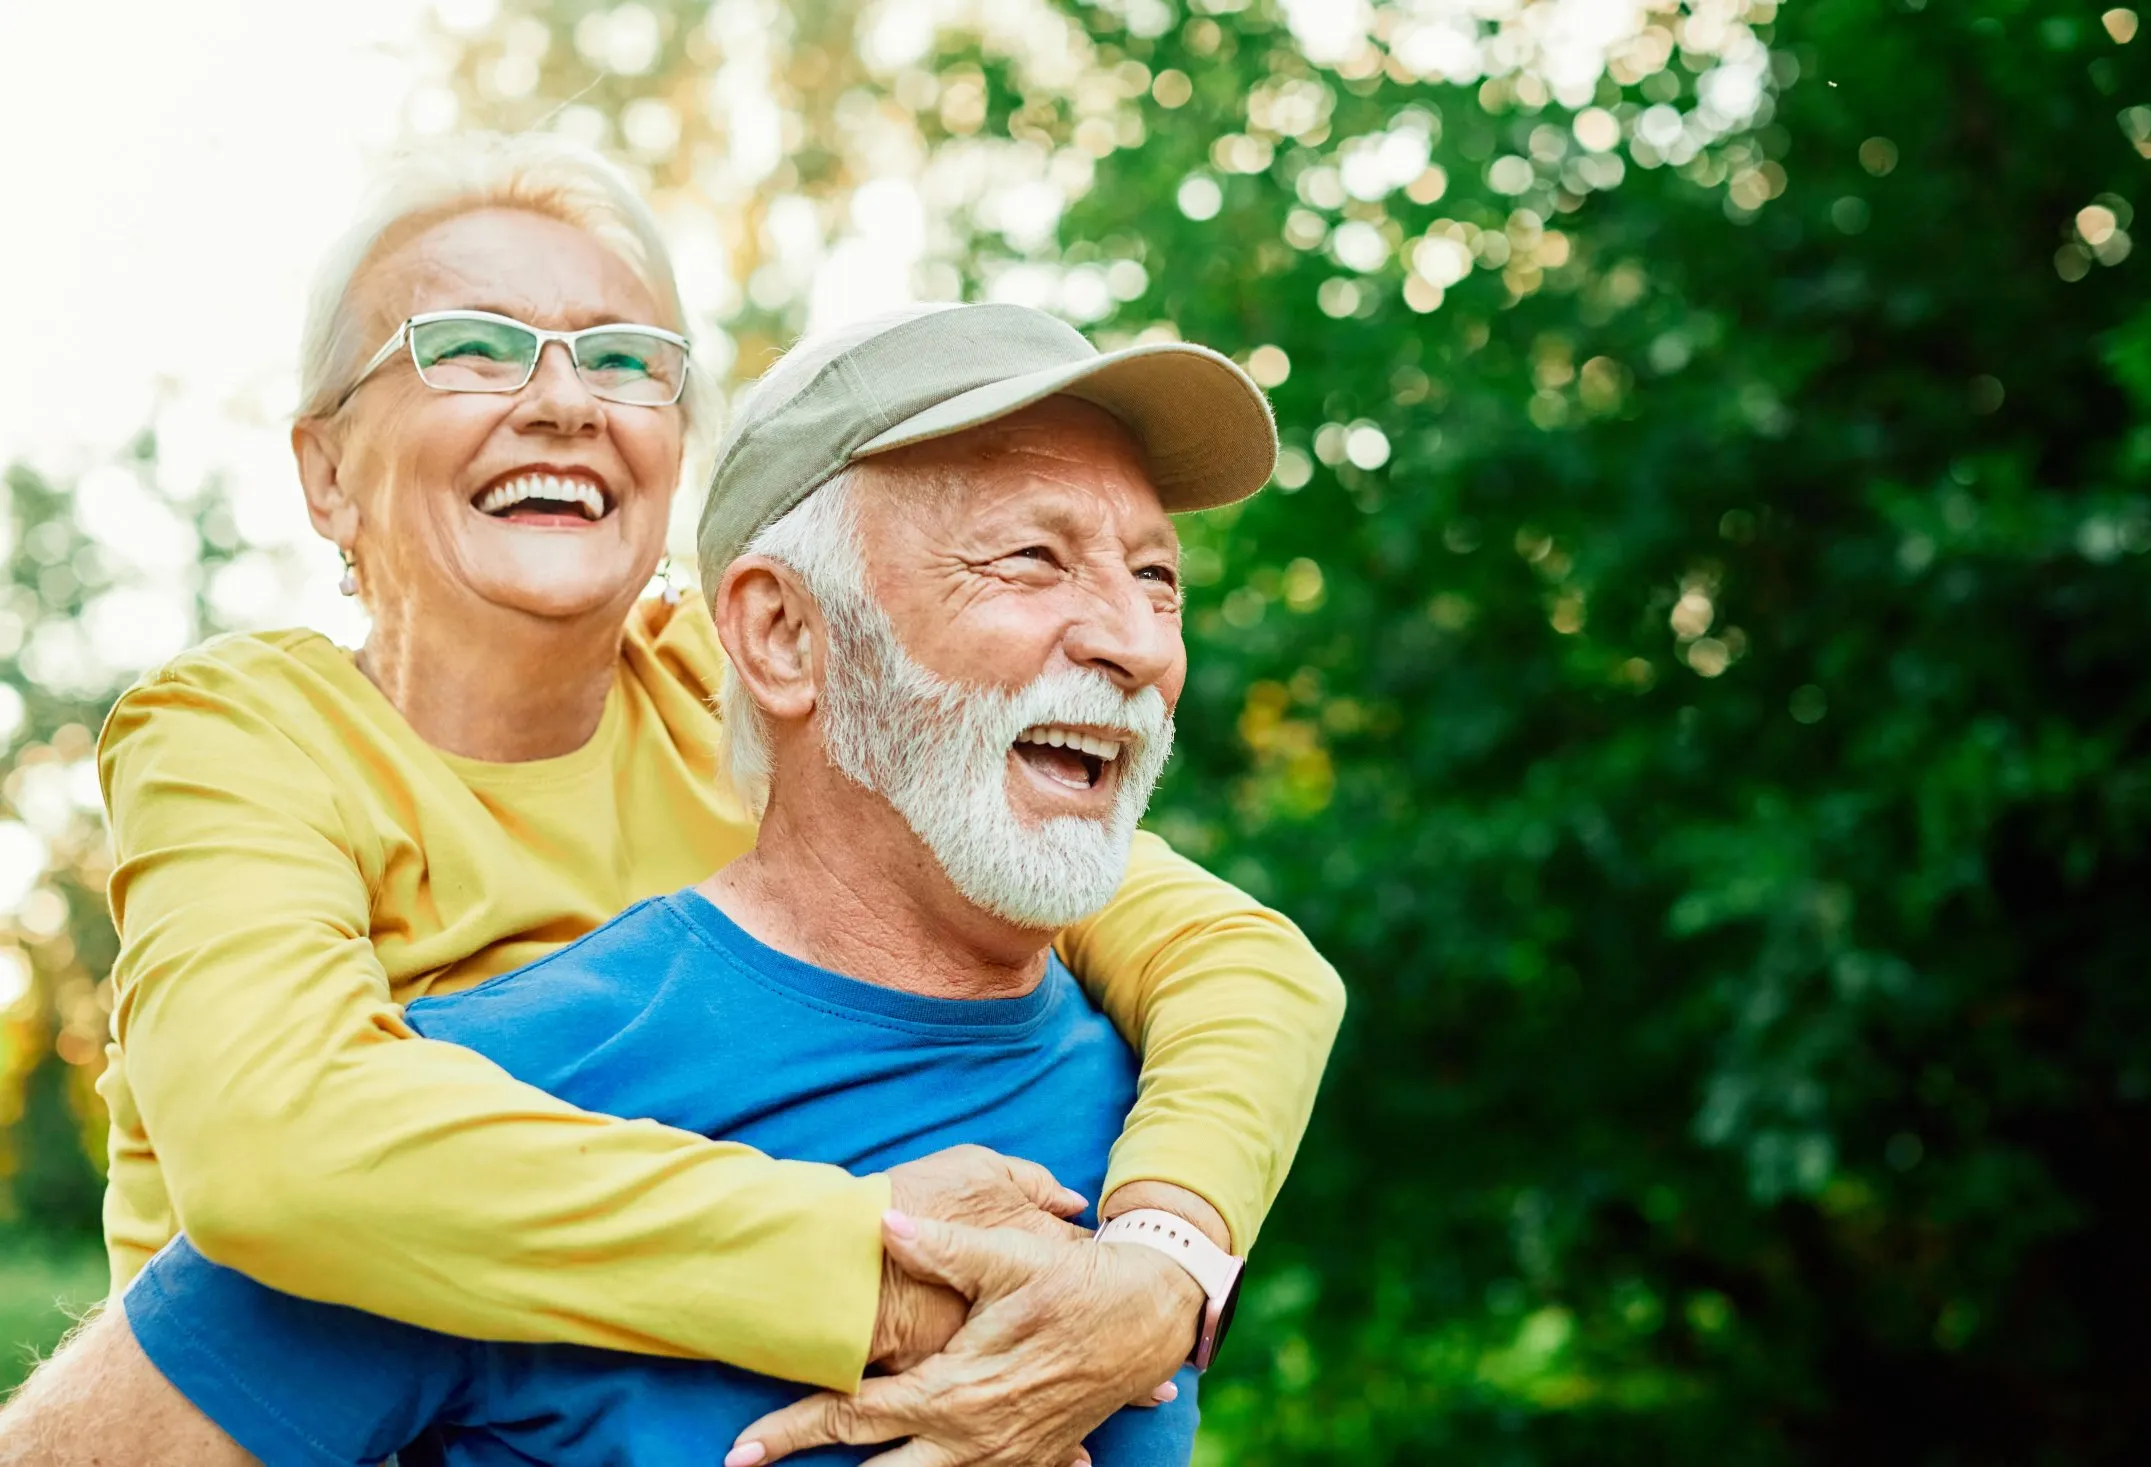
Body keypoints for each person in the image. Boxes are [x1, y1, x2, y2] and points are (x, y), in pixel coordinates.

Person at [0, 136, 1343, 1464]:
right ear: (325, 471)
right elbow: (282, 1150)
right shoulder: (242, 732)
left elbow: (1235, 962)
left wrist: (1160, 1270)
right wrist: (866, 1262)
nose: (565, 399)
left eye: (627, 360)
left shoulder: (753, 692)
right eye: (474, 343)